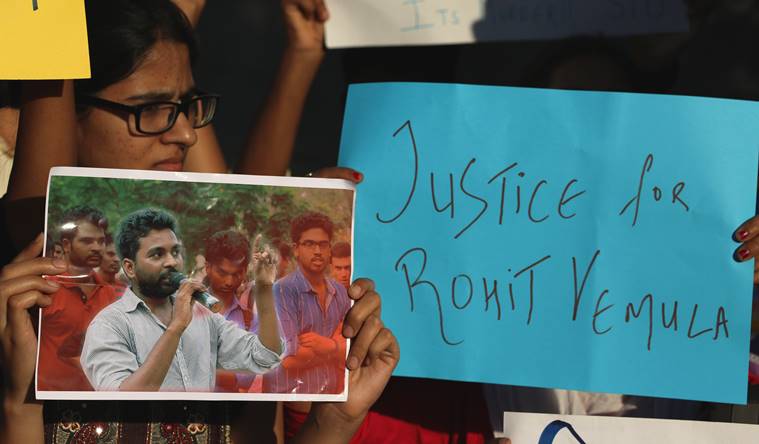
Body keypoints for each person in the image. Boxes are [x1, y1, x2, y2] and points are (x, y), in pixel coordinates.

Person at [80, 209, 282, 392]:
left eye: (175, 252)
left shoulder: (202, 313)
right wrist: (175, 328)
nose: (172, 262)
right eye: (157, 254)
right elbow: (122, 400)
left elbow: (265, 357)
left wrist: (264, 291)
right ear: (130, 268)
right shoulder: (109, 325)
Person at [264, 212, 350, 395]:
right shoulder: (282, 290)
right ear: (296, 249)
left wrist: (328, 346)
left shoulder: (340, 292)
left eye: (323, 244)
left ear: (329, 249)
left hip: (330, 397)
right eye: (309, 244)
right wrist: (335, 348)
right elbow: (288, 358)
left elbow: (350, 347)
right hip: (288, 398)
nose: (317, 251)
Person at [37, 206, 118, 391]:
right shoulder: (45, 287)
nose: (97, 248)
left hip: (95, 398)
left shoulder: (109, 293)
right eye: (87, 241)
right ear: (66, 245)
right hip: (48, 401)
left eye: (101, 241)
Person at [204, 228, 263, 392]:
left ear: (245, 271)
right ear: (207, 267)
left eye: (236, 274)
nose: (229, 281)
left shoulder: (250, 320)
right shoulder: (186, 310)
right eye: (222, 273)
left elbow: (245, 379)